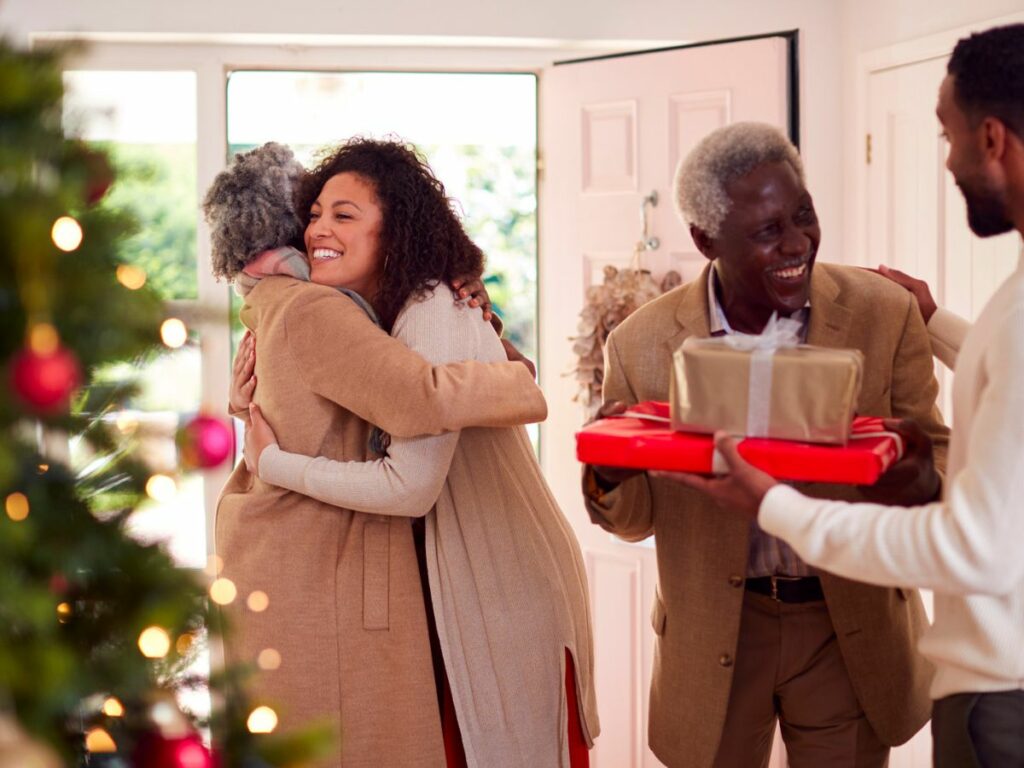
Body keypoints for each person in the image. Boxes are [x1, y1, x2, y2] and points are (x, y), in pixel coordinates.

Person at [671, 24, 1024, 768]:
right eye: (767, 229)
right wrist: (945, 327)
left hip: (996, 695)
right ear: (708, 240)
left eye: (948, 136)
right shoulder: (1007, 304)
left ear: (993, 139)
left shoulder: (897, 314)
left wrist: (774, 501)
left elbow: (974, 547)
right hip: (729, 642)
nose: (950, 161)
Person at [581, 121, 949, 768]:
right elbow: (635, 522)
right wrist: (610, 475)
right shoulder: (639, 345)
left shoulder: (883, 312)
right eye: (767, 231)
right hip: (718, 631)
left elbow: (938, 463)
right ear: (704, 240)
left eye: (804, 217)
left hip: (849, 627)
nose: (798, 244)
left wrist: (914, 472)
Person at [228, 138, 598, 768]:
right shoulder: (378, 316)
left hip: (498, 586)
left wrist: (274, 465)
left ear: (396, 233)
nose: (319, 229)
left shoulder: (432, 309)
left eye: (345, 216)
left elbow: (409, 486)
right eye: (314, 214)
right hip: (452, 585)